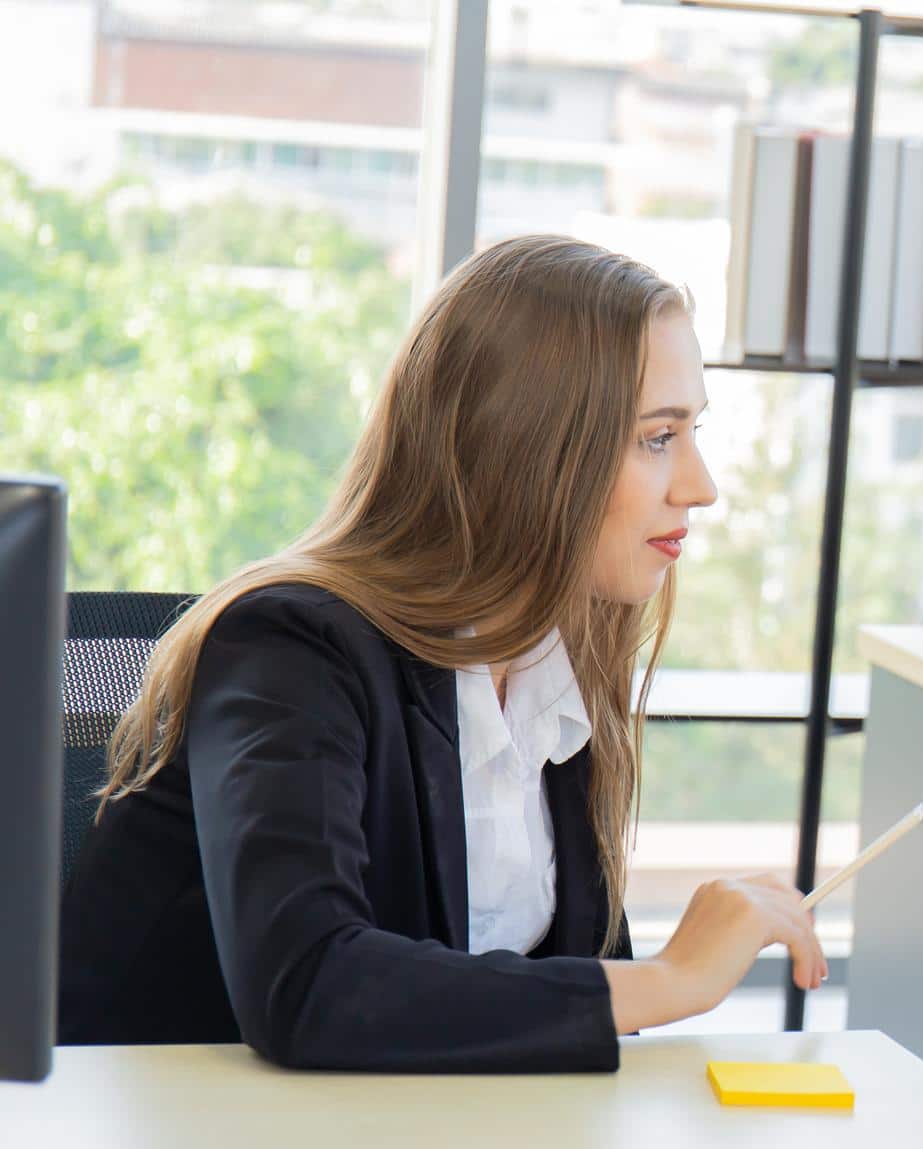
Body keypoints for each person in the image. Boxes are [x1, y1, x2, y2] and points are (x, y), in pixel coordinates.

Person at [60, 235, 828, 1072]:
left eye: (692, 432)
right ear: (531, 449)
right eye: (657, 437)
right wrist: (671, 977)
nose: (700, 484)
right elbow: (313, 985)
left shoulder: (551, 673)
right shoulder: (290, 648)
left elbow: (530, 1011)